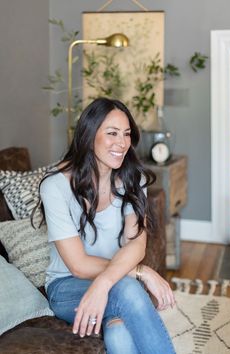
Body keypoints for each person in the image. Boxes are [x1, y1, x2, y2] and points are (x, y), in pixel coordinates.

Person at [39, 97, 176, 354]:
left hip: (114, 279)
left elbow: (136, 244)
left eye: (126, 134)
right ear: (89, 136)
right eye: (111, 133)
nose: (122, 143)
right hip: (67, 287)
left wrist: (103, 283)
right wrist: (142, 272)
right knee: (128, 289)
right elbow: (78, 265)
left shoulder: (132, 179)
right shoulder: (55, 187)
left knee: (119, 328)